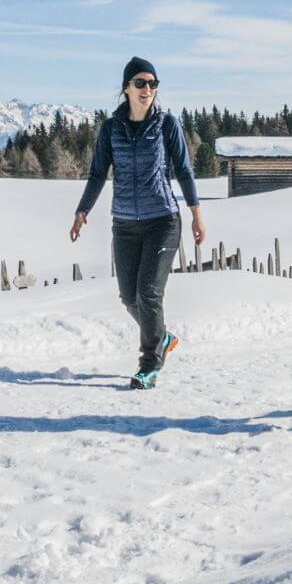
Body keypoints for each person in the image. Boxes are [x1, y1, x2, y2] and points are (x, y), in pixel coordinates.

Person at [70, 56, 206, 389]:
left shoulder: (167, 124)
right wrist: (82, 210)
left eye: (153, 84)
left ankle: (149, 365)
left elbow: (184, 171)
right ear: (126, 88)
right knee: (128, 297)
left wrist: (196, 214)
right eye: (141, 83)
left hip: (163, 220)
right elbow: (98, 172)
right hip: (125, 224)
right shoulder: (111, 128)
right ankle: (161, 337)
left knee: (148, 294)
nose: (148, 89)